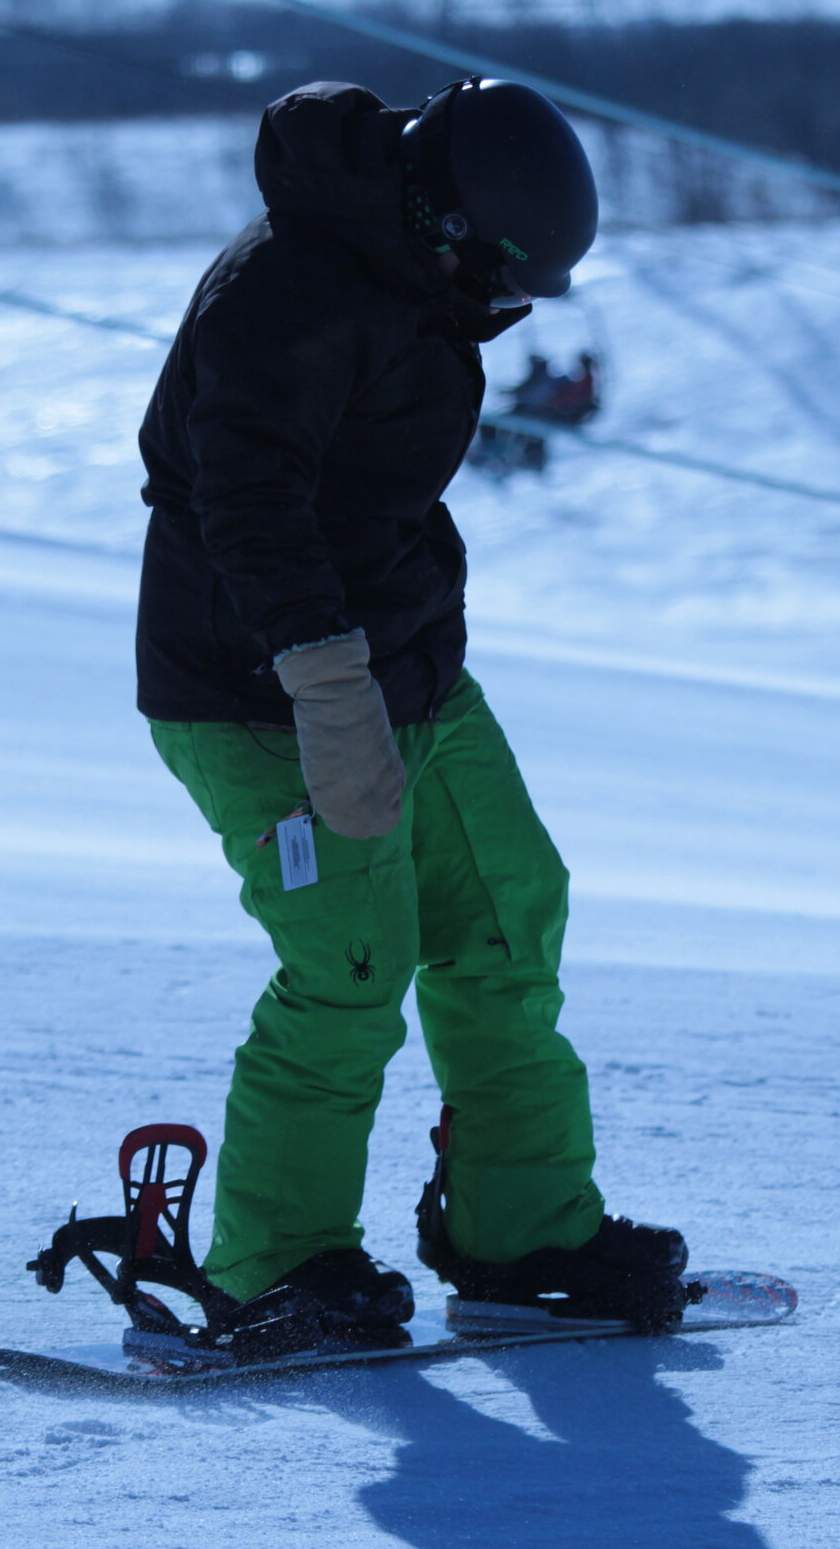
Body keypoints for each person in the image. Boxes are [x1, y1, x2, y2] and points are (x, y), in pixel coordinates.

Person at [133, 77, 688, 1358]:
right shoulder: (291, 288)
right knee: (349, 969)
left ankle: (525, 1233)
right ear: (443, 222)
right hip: (267, 691)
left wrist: (393, 664)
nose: (504, 305)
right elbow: (247, 498)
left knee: (506, 917)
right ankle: (278, 1259)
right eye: (499, 274)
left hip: (412, 672)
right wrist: (327, 688)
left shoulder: (406, 271)